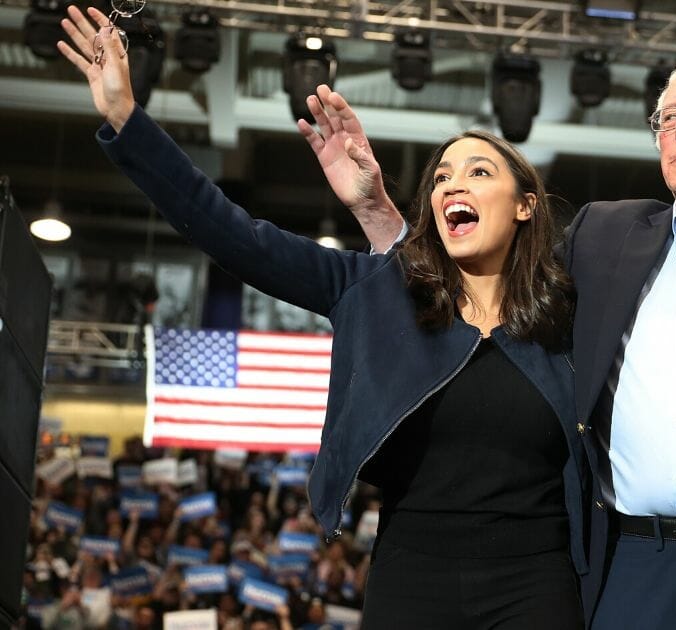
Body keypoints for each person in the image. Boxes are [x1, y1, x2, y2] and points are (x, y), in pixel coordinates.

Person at [56, 7, 589, 628]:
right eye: (440, 176)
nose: (450, 185)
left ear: (526, 205)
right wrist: (127, 119)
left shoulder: (568, 312)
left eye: (478, 171)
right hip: (412, 581)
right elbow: (230, 233)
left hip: (538, 583)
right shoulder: (374, 290)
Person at [342, 57, 676, 629]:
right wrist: (377, 216)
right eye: (669, 118)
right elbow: (490, 281)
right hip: (634, 567)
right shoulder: (601, 236)